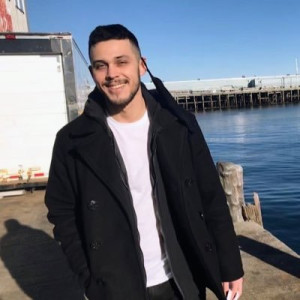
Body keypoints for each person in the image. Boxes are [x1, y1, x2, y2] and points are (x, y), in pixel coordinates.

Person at [45, 24, 244, 300]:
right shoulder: (72, 141)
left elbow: (210, 197)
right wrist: (90, 278)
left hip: (182, 277)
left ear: (141, 65)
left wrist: (230, 266)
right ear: (92, 73)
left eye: (121, 62)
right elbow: (62, 213)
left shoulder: (179, 125)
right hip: (117, 286)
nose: (112, 73)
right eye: (101, 66)